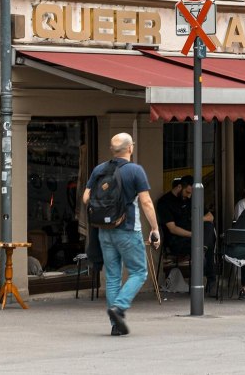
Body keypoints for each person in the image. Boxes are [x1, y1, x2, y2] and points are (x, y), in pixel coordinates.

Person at [82, 133, 160, 336]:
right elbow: (146, 202)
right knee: (139, 272)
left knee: (113, 276)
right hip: (127, 230)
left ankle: (115, 325)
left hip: (104, 232)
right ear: (130, 148)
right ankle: (119, 307)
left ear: (112, 150)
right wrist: (154, 228)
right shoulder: (135, 170)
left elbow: (85, 198)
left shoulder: (100, 169)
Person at [156, 175, 217, 292]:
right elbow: (172, 229)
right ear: (179, 187)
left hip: (196, 239)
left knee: (208, 227)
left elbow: (210, 217)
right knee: (206, 245)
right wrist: (194, 235)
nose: (189, 196)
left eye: (191, 193)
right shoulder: (165, 202)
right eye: (187, 192)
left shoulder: (190, 199)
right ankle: (210, 280)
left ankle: (202, 251)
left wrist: (198, 218)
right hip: (177, 240)